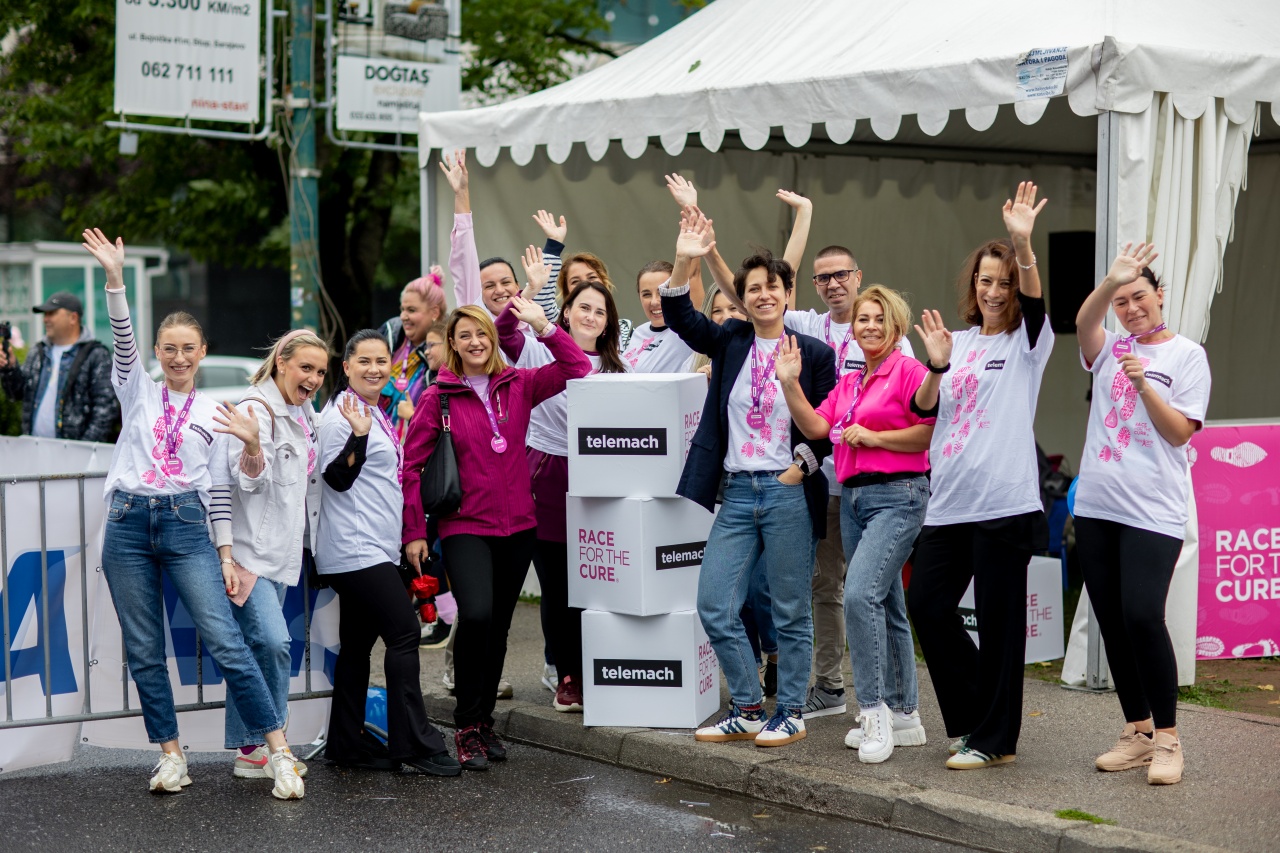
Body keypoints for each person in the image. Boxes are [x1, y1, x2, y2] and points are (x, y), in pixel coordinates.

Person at [82, 227, 305, 799]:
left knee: (226, 640)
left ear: (203, 353)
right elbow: (122, 336)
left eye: (189, 348)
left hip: (187, 526)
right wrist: (115, 280)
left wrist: (251, 450)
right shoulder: (137, 390)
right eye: (169, 348)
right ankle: (171, 756)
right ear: (158, 353)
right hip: (129, 523)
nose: (178, 357)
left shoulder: (216, 411)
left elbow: (227, 488)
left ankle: (277, 752)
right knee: (144, 649)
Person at [659, 213, 836, 748]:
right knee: (714, 602)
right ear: (743, 295)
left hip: (785, 492)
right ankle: (748, 705)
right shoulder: (731, 339)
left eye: (772, 287)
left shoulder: (817, 354)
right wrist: (686, 256)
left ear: (787, 294)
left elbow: (827, 429)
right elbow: (682, 318)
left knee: (789, 609)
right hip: (736, 491)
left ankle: (793, 710)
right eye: (753, 288)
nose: (763, 295)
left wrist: (798, 468)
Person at [401, 300, 591, 769]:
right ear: (452, 343)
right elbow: (411, 467)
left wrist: (543, 325)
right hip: (466, 525)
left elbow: (578, 365)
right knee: (479, 616)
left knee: (500, 626)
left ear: (492, 337)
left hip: (520, 527)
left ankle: (483, 722)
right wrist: (413, 531)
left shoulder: (520, 384)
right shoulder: (438, 397)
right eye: (464, 335)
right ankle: (465, 723)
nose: (475, 342)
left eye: (482, 333)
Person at [906, 182, 1054, 770]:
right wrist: (938, 365)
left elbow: (1039, 305)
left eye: (1005, 282)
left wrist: (1024, 246)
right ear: (973, 285)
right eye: (985, 281)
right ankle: (973, 717)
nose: (994, 291)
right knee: (928, 606)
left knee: (999, 627)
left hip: (1004, 504)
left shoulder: (1028, 343)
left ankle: (996, 739)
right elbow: (922, 407)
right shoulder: (957, 342)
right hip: (948, 503)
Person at [777, 285, 936, 764]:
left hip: (899, 496)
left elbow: (926, 431)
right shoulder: (850, 381)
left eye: (878, 319)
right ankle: (906, 715)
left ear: (896, 327)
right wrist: (789, 384)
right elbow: (818, 430)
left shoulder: (908, 370)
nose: (868, 326)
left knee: (859, 593)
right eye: (863, 319)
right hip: (852, 498)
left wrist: (876, 436)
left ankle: (873, 712)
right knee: (886, 603)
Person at [1073, 242, 1210, 786]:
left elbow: (1180, 433)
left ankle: (1170, 740)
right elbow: (1085, 320)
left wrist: (1144, 386)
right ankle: (1137, 731)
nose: (1130, 308)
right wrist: (1109, 280)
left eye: (1139, 297)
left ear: (1160, 296)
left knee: (1140, 616)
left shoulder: (1187, 356)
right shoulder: (1108, 346)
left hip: (1153, 510)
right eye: (1122, 301)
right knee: (1110, 619)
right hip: (1098, 505)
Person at [315, 329, 461, 777]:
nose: (375, 369)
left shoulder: (373, 411)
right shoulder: (339, 417)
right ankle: (414, 743)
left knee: (358, 646)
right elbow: (335, 478)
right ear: (346, 367)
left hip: (376, 547)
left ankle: (346, 745)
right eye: (364, 362)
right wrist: (357, 438)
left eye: (381, 361)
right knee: (403, 634)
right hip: (353, 551)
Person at [495, 247, 629, 714]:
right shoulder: (538, 346)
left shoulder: (620, 368)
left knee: (598, 582)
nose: (591, 316)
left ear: (609, 320)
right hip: (548, 473)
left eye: (600, 310)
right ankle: (568, 677)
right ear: (566, 312)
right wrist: (527, 291)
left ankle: (605, 669)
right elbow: (503, 332)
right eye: (583, 307)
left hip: (604, 478)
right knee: (557, 584)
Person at [207, 329, 329, 781]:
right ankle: (268, 745)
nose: (314, 378)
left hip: (281, 554)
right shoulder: (256, 410)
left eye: (320, 371)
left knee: (263, 647)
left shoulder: (302, 411)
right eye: (305, 368)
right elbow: (247, 481)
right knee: (275, 644)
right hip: (248, 555)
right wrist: (255, 447)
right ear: (281, 362)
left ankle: (249, 749)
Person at [0, 290, 119, 441]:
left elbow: (105, 409)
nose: (45, 319)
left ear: (73, 318)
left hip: (73, 458)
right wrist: (10, 368)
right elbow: (16, 393)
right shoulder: (38, 351)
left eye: (52, 313)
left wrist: (82, 450)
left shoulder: (95, 355)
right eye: (45, 314)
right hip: (34, 451)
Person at [377, 268, 447, 441]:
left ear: (435, 313)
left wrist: (413, 416)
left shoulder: (447, 355)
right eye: (402, 309)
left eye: (411, 310)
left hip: (419, 452)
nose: (403, 316)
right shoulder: (390, 336)